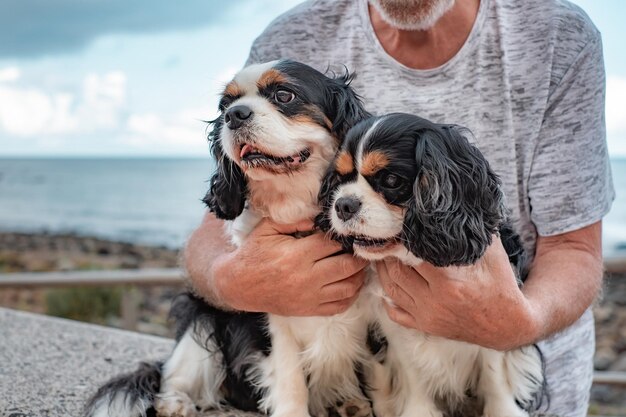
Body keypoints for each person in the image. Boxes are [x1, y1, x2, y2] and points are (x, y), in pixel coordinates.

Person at [184, 0, 614, 415]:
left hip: (524, 391)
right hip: (375, 393)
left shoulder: (556, 34)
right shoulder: (289, 36)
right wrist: (231, 280)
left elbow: (575, 247)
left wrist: (517, 323)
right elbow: (219, 225)